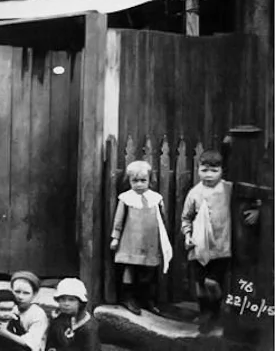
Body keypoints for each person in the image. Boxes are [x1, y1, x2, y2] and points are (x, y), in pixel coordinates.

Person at [181, 148, 260, 334]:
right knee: (200, 287)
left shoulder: (228, 188)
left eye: (214, 170)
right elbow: (186, 218)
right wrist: (187, 235)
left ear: (221, 170)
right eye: (204, 169)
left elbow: (257, 197)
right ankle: (205, 312)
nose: (208, 175)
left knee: (212, 283)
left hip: (221, 247)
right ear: (198, 169)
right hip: (199, 247)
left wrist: (258, 210)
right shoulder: (194, 193)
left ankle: (214, 313)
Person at [110, 160, 172, 315]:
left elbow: (162, 219)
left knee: (148, 271)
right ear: (129, 181)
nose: (139, 185)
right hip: (130, 241)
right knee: (129, 269)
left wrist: (163, 237)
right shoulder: (125, 199)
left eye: (143, 181)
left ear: (150, 181)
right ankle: (128, 298)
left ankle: (147, 299)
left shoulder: (156, 198)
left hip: (150, 241)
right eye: (135, 181)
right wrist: (115, 237)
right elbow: (118, 220)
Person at [46, 278, 100, 351]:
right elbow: (51, 341)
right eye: (62, 299)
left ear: (80, 302)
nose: (66, 303)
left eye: (71, 300)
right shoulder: (57, 319)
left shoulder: (88, 326)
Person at [9, 271, 49, 351]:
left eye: (26, 293)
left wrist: (3, 332)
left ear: (34, 294)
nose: (20, 297)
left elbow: (30, 343)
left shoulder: (37, 314)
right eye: (17, 292)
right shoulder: (9, 307)